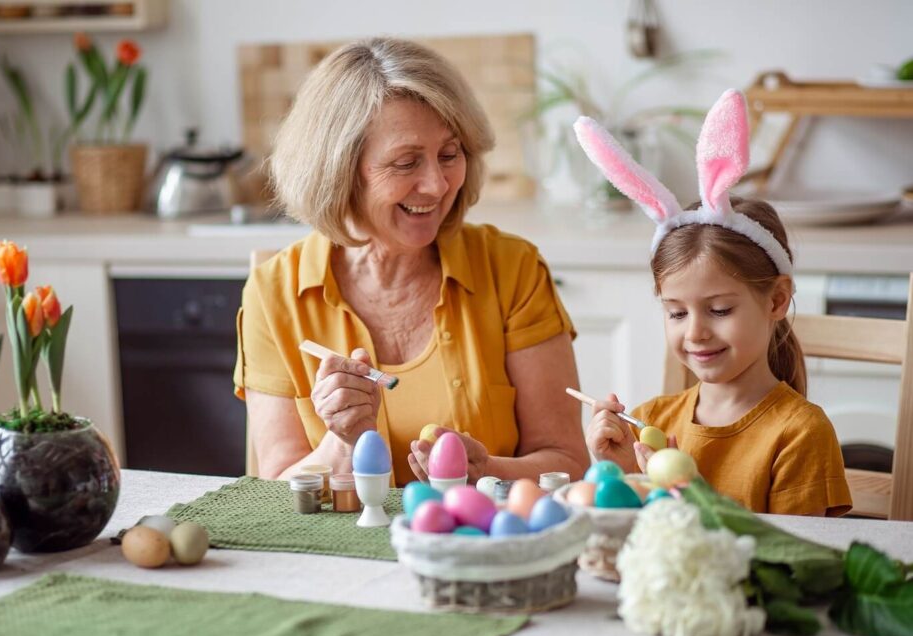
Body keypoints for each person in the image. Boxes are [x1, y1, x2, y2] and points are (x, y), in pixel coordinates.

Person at [234, 37, 590, 485]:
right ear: (340, 171)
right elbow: (274, 492)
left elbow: (567, 461)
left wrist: (487, 471)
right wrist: (341, 441)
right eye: (406, 163)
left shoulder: (512, 268)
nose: (437, 185)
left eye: (449, 155)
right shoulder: (274, 293)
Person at [576, 89, 852, 516]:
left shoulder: (800, 434)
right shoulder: (650, 422)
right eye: (676, 312)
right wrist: (620, 476)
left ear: (777, 300)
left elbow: (797, 569)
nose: (695, 332)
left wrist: (696, 498)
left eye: (720, 310)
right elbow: (644, 543)